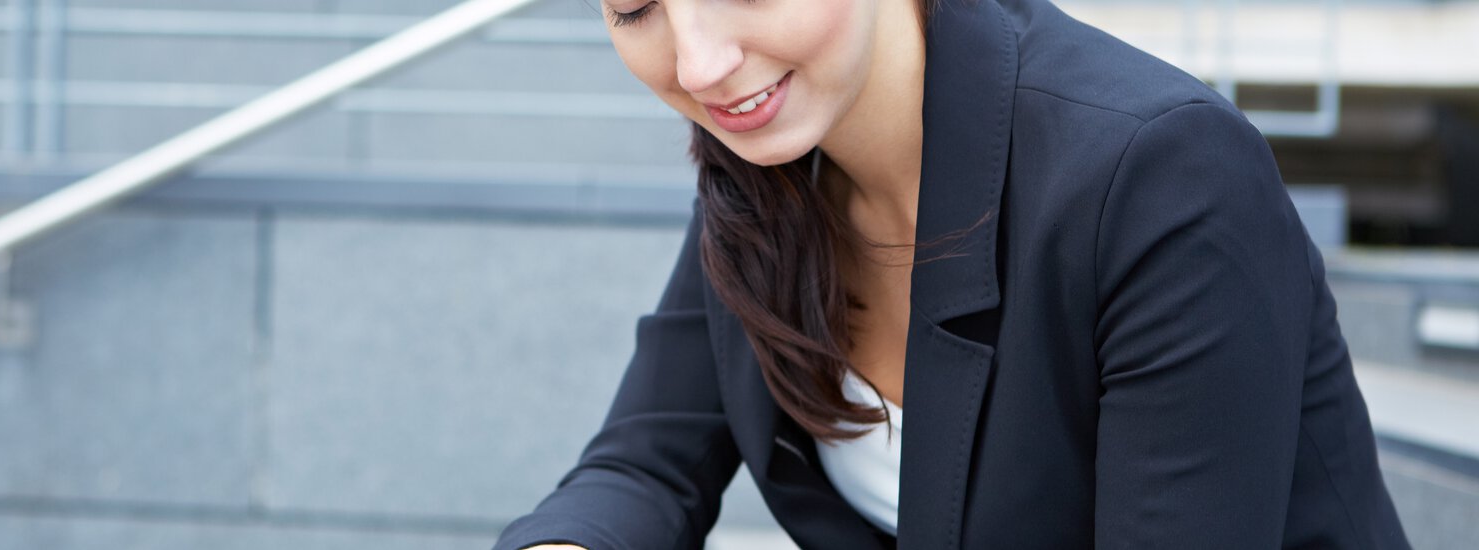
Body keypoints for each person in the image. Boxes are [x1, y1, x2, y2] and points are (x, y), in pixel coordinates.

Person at [493, 0, 1411, 548]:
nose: (699, 63)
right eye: (633, 7)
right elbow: (645, 465)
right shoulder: (772, 171)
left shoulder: (1157, 173)